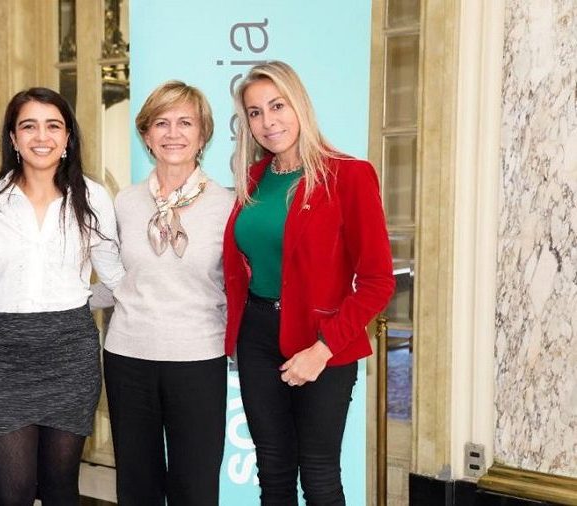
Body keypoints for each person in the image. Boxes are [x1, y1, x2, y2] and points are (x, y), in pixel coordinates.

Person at [223, 61, 395, 505]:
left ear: (299, 105)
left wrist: (322, 349)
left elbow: (377, 281)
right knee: (273, 471)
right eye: (255, 112)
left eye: (277, 106)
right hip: (257, 336)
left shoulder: (349, 175)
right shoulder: (252, 179)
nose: (268, 121)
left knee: (319, 477)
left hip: (324, 339)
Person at [0, 87, 124, 506]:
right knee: (11, 493)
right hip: (5, 358)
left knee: (59, 488)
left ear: (67, 137)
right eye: (29, 126)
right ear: (13, 138)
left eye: (53, 126)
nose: (41, 136)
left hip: (71, 356)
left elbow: (116, 280)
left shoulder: (93, 197)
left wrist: (76, 302)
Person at [90, 80, 233, 506]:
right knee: (137, 486)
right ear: (147, 135)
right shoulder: (124, 203)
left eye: (185, 123)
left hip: (198, 359)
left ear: (203, 136)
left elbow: (237, 285)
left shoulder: (228, 205)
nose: (173, 133)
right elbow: (118, 280)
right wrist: (60, 298)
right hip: (128, 358)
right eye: (161, 123)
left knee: (195, 486)